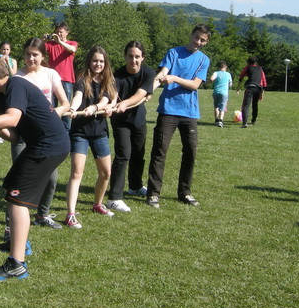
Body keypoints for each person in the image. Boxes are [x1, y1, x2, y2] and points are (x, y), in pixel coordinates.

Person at [0, 56, 70, 281]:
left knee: (17, 199)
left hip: (49, 145)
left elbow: (12, 118)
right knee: (11, 187)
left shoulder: (16, 85)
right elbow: (15, 135)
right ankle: (18, 242)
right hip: (40, 144)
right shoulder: (2, 95)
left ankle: (16, 264)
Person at [146, 24, 211, 209]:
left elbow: (195, 85)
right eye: (196, 37)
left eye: (203, 40)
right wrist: (148, 91)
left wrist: (174, 78)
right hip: (168, 111)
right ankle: (153, 194)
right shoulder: (173, 53)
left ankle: (185, 192)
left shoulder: (203, 60)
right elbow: (162, 74)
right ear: (191, 35)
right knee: (160, 151)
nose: (198, 42)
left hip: (189, 113)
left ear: (206, 42)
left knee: (190, 152)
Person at [14, 37, 70, 229]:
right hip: (24, 135)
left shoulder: (50, 74)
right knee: (19, 179)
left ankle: (42, 215)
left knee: (51, 178)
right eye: (27, 54)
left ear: (43, 56)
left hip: (46, 137)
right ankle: (13, 223)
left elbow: (65, 103)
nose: (31, 58)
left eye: (35, 55)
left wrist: (56, 113)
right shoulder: (18, 78)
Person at [64, 46, 118, 228]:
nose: (98, 64)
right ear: (89, 61)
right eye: (95, 60)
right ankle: (70, 214)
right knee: (77, 172)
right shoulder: (82, 79)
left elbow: (105, 100)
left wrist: (95, 108)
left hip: (99, 132)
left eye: (101, 61)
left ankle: (97, 204)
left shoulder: (109, 81)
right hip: (80, 132)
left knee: (106, 173)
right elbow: (78, 96)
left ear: (105, 63)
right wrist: (73, 108)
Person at [106, 41, 156, 211]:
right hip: (120, 121)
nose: (133, 60)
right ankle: (114, 197)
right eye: (130, 56)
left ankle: (135, 186)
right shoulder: (117, 75)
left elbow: (141, 94)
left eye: (137, 57)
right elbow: (113, 94)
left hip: (138, 119)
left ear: (142, 58)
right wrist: (112, 104)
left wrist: (125, 103)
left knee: (138, 153)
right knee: (123, 155)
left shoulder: (148, 73)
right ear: (125, 56)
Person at [44, 22, 78, 128]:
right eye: (57, 32)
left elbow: (72, 49)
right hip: (52, 80)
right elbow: (37, 50)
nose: (59, 34)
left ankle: (66, 130)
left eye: (61, 32)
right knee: (51, 106)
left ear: (67, 33)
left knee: (66, 106)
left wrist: (60, 42)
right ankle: (52, 127)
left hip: (66, 80)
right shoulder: (50, 44)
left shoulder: (72, 43)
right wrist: (43, 40)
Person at [237, 56, 267, 128]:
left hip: (250, 88)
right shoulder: (260, 69)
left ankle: (245, 123)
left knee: (246, 105)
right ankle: (253, 120)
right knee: (255, 104)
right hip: (258, 89)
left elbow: (241, 76)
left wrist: (238, 87)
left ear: (248, 62)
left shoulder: (248, 67)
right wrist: (262, 93)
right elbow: (264, 81)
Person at [210, 61, 233, 127]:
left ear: (219, 67)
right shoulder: (228, 74)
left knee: (216, 106)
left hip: (216, 92)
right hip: (224, 93)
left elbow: (211, 79)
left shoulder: (216, 73)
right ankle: (220, 121)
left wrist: (208, 82)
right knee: (222, 107)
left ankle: (216, 120)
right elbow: (230, 84)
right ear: (226, 67)